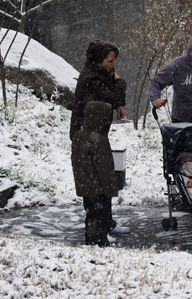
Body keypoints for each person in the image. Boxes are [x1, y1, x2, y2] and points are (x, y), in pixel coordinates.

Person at [70, 40, 130, 242]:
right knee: (93, 185)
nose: (113, 65)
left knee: (105, 179)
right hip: (85, 137)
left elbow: (112, 94)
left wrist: (118, 101)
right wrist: (120, 85)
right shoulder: (90, 79)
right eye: (110, 60)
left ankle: (107, 223)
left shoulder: (100, 73)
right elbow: (113, 96)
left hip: (97, 135)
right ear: (98, 60)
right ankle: (96, 232)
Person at [71, 101, 119, 247]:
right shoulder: (99, 139)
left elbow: (77, 161)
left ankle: (91, 239)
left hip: (85, 183)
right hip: (98, 186)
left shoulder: (79, 136)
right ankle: (100, 241)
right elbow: (104, 168)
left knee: (90, 215)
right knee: (100, 215)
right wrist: (111, 188)